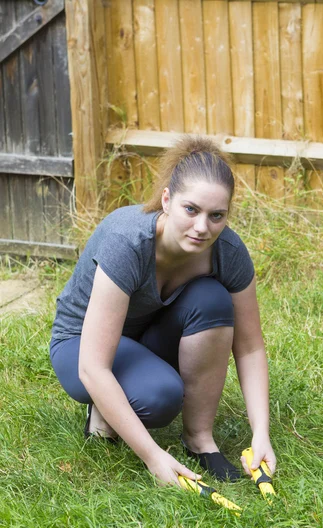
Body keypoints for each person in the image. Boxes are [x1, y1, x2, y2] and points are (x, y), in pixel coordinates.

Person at [49, 135, 276, 487]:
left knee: (214, 299)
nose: (203, 227)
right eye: (191, 209)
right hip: (81, 345)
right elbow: (93, 367)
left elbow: (250, 347)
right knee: (159, 397)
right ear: (167, 200)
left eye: (217, 215)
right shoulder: (128, 242)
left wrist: (261, 433)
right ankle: (102, 413)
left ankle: (200, 438)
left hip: (145, 336)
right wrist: (154, 457)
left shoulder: (227, 251)